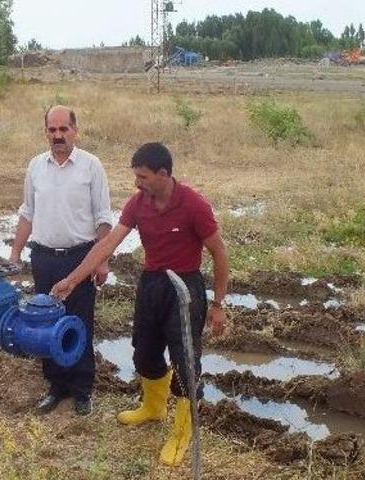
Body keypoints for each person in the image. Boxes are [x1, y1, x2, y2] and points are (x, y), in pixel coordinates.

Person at [52, 142, 229, 467]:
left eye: (142, 176)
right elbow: (108, 244)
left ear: (163, 174)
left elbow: (219, 252)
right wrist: (72, 279)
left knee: (186, 364)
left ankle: (181, 434)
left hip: (184, 288)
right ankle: (153, 408)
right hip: (151, 285)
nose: (137, 183)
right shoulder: (138, 203)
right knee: (144, 354)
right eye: (136, 176)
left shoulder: (193, 204)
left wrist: (218, 304)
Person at [8, 105, 113, 416]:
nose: (57, 135)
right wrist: (15, 253)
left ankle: (81, 390)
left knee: (79, 323)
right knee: (45, 322)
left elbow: (103, 218)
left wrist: (102, 260)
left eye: (63, 129)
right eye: (52, 130)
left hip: (80, 258)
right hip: (43, 257)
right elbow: (27, 213)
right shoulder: (35, 167)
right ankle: (55, 386)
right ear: (46, 132)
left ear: (75, 131)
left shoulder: (91, 166)